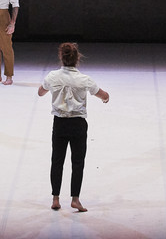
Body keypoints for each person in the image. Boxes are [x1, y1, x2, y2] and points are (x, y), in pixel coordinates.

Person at [38, 43, 110, 212]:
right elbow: (102, 94)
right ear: (77, 58)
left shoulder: (53, 76)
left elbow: (40, 92)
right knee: (78, 162)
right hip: (78, 124)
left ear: (61, 57)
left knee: (57, 160)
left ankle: (55, 198)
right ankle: (75, 199)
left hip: (60, 123)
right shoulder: (84, 79)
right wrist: (106, 98)